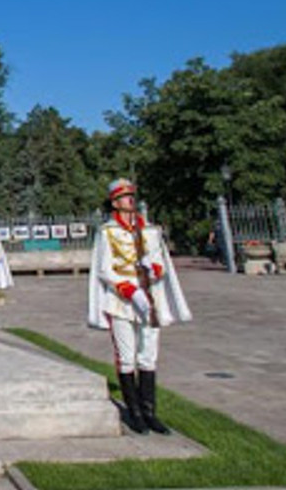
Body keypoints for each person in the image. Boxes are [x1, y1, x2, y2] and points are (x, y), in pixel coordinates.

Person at [87, 179, 191, 435]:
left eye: (132, 195)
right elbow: (104, 269)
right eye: (124, 197)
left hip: (149, 298)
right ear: (114, 202)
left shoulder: (150, 231)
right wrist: (128, 289)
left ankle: (150, 412)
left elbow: (161, 259)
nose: (130, 200)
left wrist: (155, 269)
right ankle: (133, 413)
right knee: (126, 355)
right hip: (121, 300)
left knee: (148, 354)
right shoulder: (108, 232)